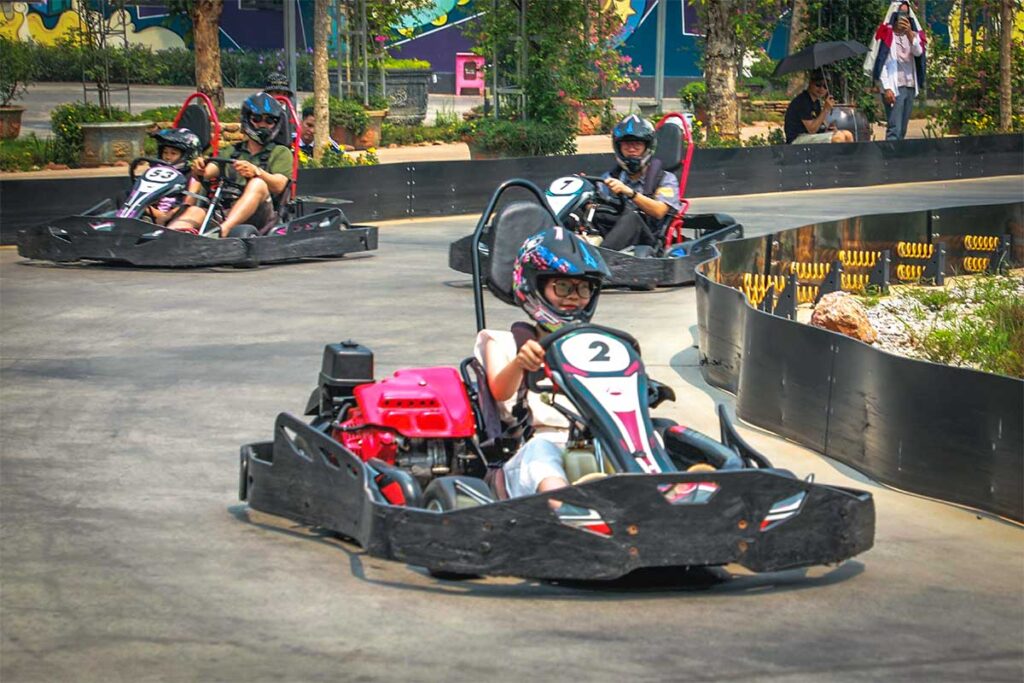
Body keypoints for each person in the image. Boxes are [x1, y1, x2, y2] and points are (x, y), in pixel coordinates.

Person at [476, 226, 611, 499]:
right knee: (544, 452)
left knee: (650, 437)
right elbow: (500, 392)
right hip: (526, 453)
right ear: (533, 286)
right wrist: (519, 364)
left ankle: (671, 497)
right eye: (562, 286)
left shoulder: (595, 347)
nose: (574, 296)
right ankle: (567, 506)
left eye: (583, 287)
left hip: (591, 442)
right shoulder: (502, 341)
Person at [169, 92, 292, 237]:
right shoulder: (232, 151)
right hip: (226, 210)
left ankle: (224, 230)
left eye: (269, 120)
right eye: (257, 119)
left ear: (276, 124)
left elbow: (280, 185)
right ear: (247, 119)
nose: (263, 125)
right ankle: (166, 236)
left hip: (262, 214)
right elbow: (209, 171)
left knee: (257, 183)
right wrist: (200, 168)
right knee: (195, 212)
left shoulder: (280, 152)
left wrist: (257, 172)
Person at [594, 114, 681, 251]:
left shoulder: (665, 179)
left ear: (647, 147)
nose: (632, 149)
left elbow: (659, 211)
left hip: (647, 239)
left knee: (632, 219)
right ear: (619, 148)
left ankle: (598, 260)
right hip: (612, 232)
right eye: (627, 144)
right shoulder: (610, 177)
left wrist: (631, 194)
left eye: (637, 144)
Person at [865, 2, 926, 140]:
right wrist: (886, 88)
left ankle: (898, 158)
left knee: (903, 129)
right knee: (894, 129)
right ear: (894, 15)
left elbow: (918, 52)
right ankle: (889, 159)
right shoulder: (887, 34)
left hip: (909, 85)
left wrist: (910, 33)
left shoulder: (913, 35)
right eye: (901, 14)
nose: (903, 17)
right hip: (894, 87)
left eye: (906, 13)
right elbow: (882, 63)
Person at [145, 127, 202, 226]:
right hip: (152, 212)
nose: (167, 157)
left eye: (173, 153)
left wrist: (166, 216)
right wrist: (157, 214)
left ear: (188, 155)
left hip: (175, 215)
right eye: (165, 152)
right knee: (123, 195)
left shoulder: (192, 176)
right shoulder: (155, 171)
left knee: (185, 208)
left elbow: (188, 203)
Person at [784, 71, 855, 144]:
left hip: (810, 136)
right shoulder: (802, 101)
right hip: (797, 139)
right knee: (838, 138)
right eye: (818, 85)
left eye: (825, 86)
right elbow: (812, 130)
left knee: (847, 135)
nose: (821, 89)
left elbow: (819, 123)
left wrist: (829, 128)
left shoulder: (816, 102)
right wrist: (825, 109)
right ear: (810, 83)